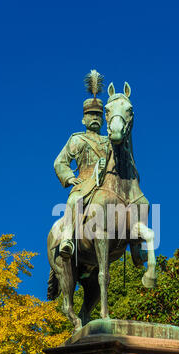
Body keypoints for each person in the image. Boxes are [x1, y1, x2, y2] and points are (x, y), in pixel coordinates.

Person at [53, 95, 109, 258]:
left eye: (98, 115)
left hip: (107, 184)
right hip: (84, 183)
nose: (95, 118)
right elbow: (60, 162)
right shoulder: (77, 139)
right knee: (73, 200)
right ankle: (67, 239)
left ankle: (136, 246)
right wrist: (70, 178)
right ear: (83, 120)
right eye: (91, 114)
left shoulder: (109, 141)